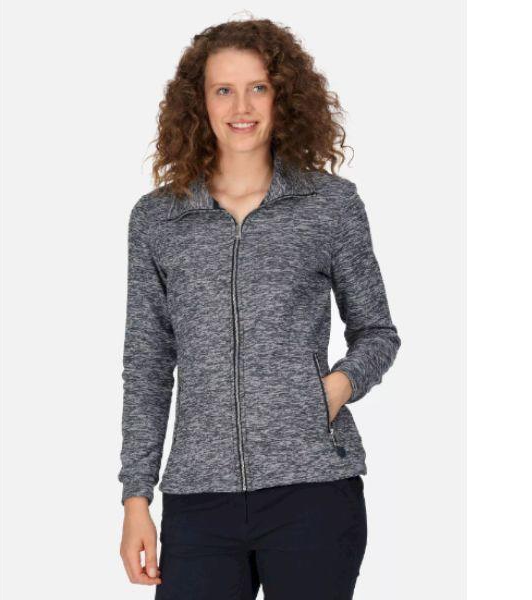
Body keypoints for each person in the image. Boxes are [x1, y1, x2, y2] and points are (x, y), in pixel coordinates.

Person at [118, 18, 401, 600]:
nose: (241, 107)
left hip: (313, 491)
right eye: (223, 89)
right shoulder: (158, 219)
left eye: (259, 88)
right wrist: (136, 497)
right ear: (199, 102)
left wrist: (335, 388)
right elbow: (147, 365)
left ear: (283, 97)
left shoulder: (329, 204)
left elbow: (377, 331)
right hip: (198, 497)